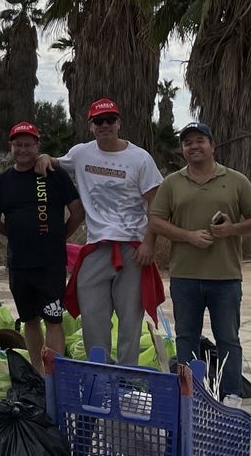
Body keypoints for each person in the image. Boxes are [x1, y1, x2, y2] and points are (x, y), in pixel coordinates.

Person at [40, 98, 162, 366]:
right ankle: (100, 372)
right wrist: (45, 157)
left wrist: (149, 243)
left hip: (132, 248)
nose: (105, 125)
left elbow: (156, 204)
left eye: (110, 120)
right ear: (91, 126)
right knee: (93, 317)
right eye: (99, 121)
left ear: (119, 123)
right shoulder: (81, 153)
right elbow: (56, 162)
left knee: (130, 319)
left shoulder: (140, 158)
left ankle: (127, 375)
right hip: (96, 248)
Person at [148, 122, 251, 400]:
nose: (194, 146)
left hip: (225, 276)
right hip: (185, 276)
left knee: (228, 339)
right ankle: (190, 393)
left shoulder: (236, 180)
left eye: (200, 140)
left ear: (212, 145)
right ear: (182, 149)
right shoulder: (172, 183)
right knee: (186, 337)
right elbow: (156, 220)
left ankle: (231, 395)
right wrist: (188, 236)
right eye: (188, 142)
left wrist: (231, 229)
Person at [0, 121, 83, 368]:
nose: (23, 149)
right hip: (19, 264)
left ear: (37, 146)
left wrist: (61, 236)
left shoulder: (54, 175)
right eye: (18, 145)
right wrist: (15, 235)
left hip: (50, 264)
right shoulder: (3, 181)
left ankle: (54, 376)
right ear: (11, 147)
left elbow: (77, 212)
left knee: (53, 320)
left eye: (28, 145)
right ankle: (38, 373)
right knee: (29, 320)